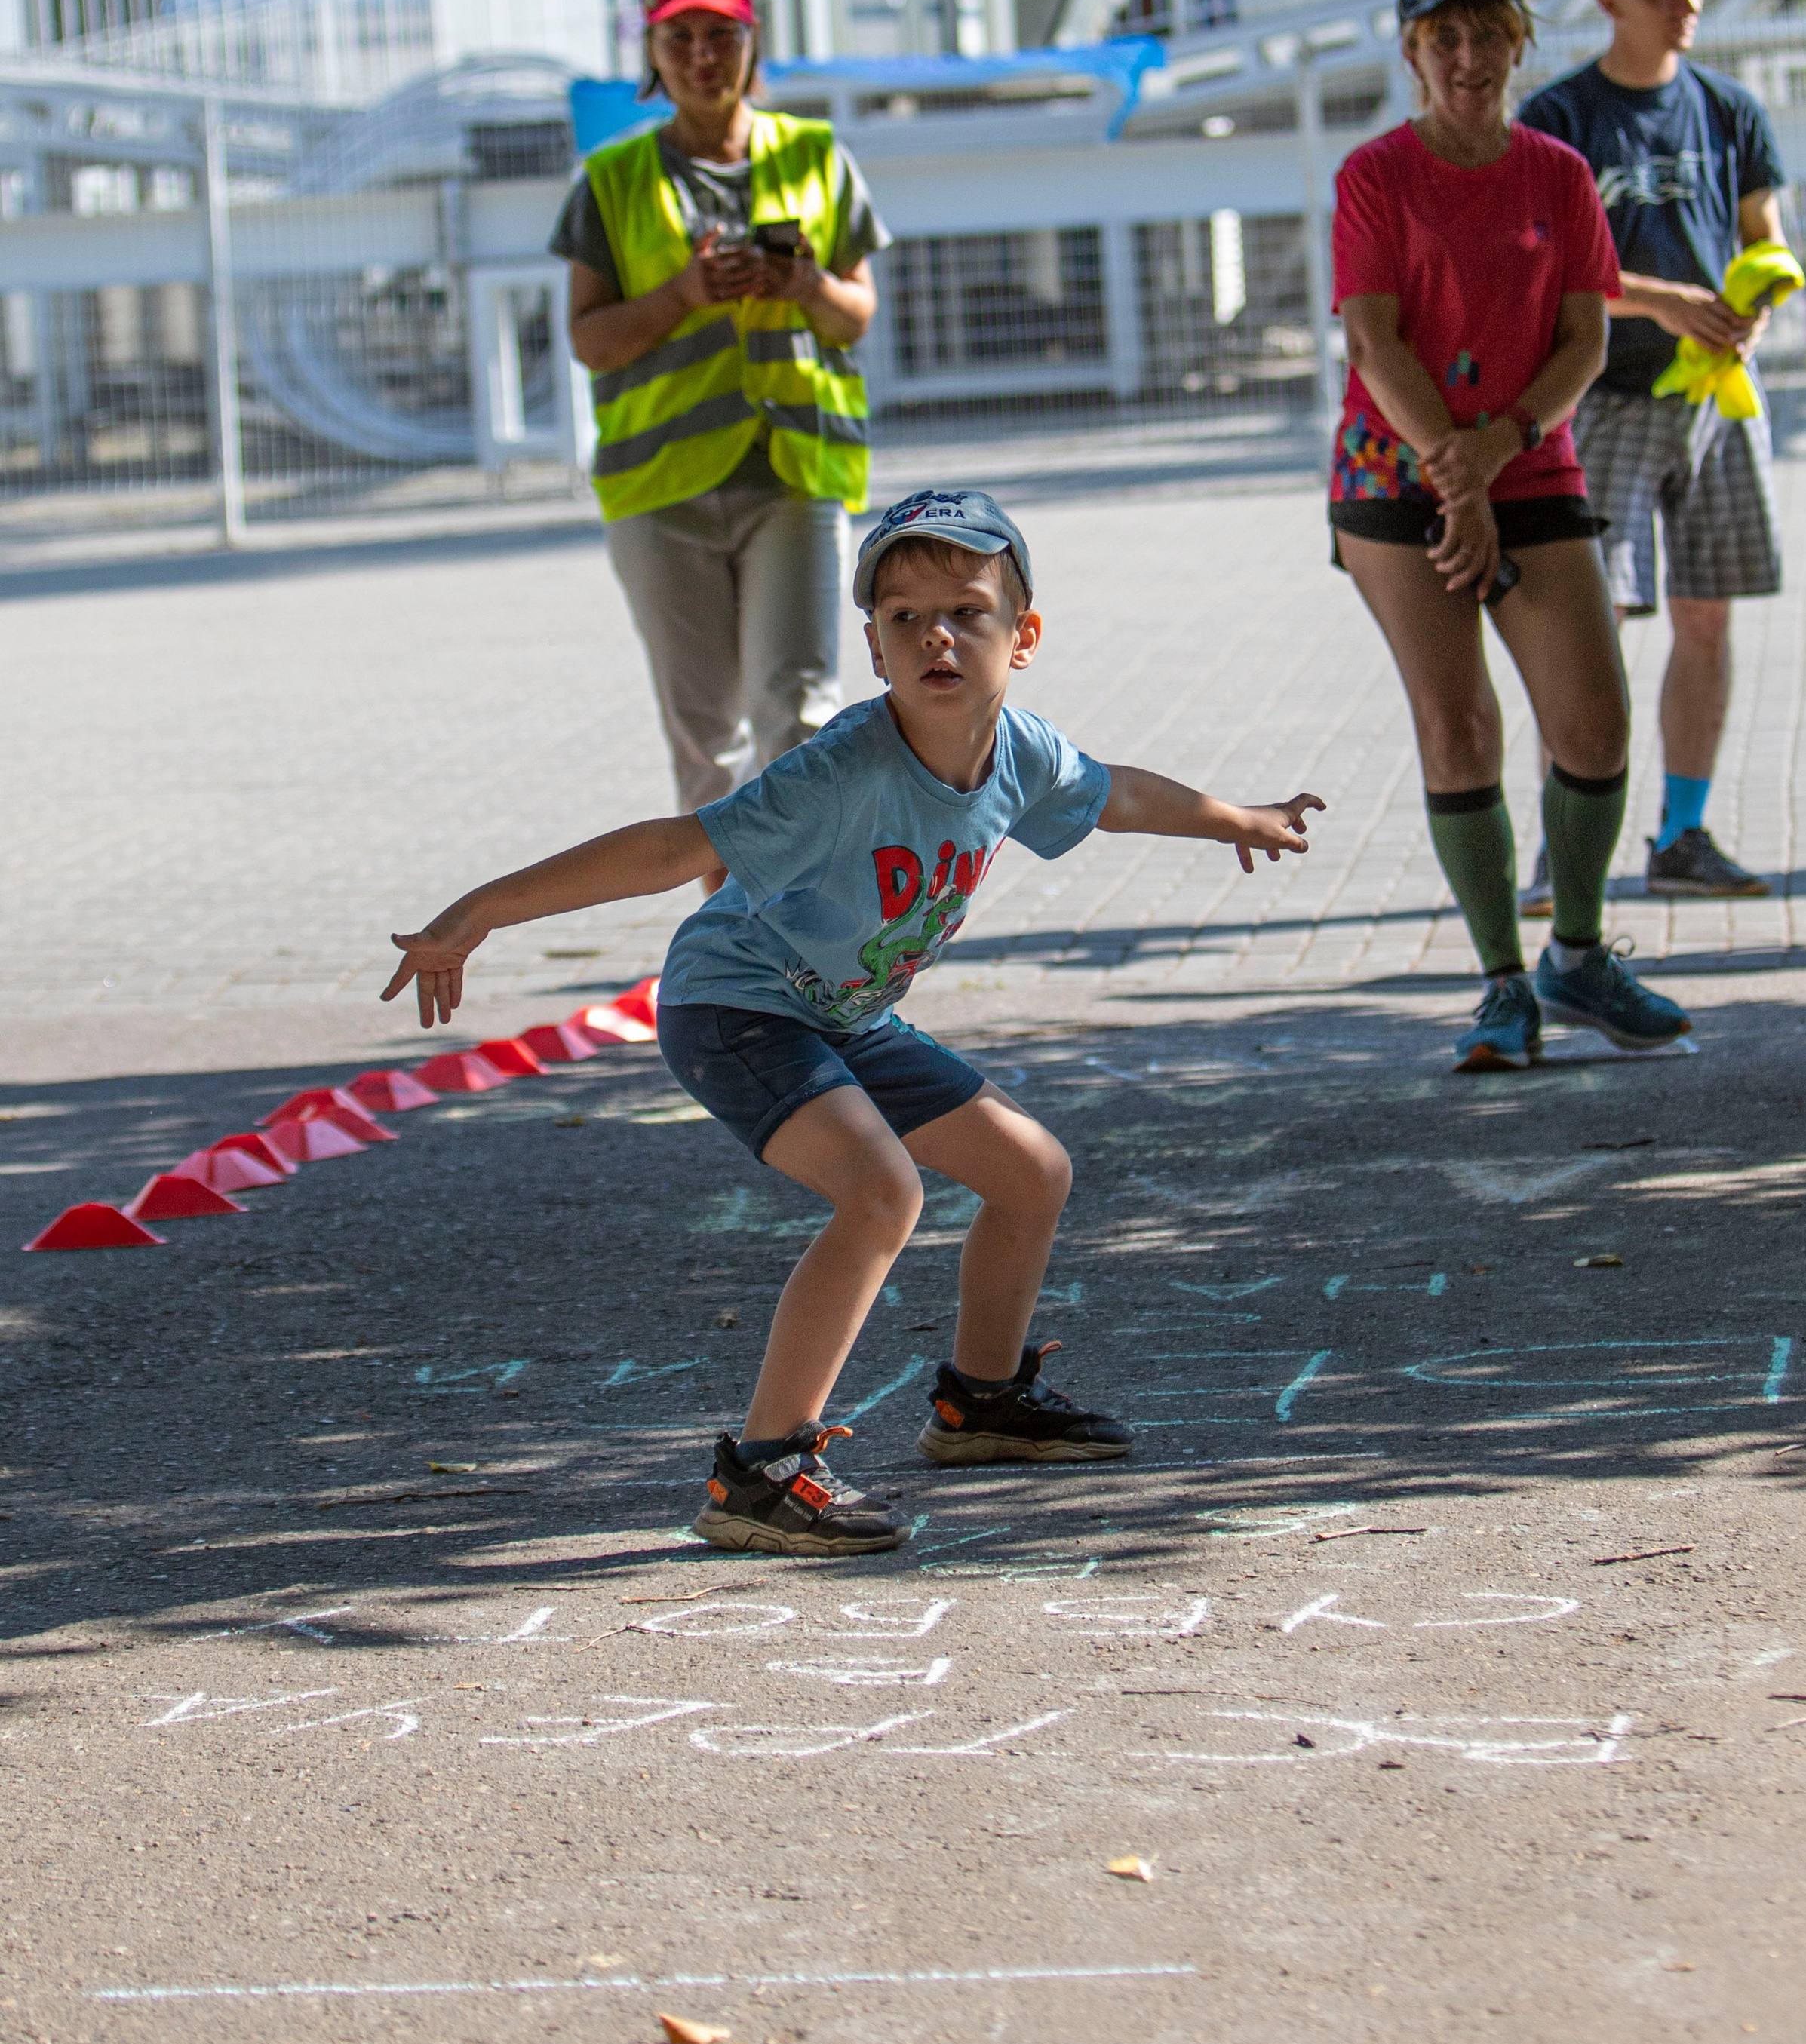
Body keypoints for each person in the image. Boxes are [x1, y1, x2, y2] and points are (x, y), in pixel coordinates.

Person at [382, 487, 1325, 1556]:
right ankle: (763, 1471)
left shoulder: (1023, 755)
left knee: (1034, 1173)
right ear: (875, 651)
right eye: (904, 616)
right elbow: (670, 851)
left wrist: (1236, 820)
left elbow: (1120, 797)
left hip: (845, 1012)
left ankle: (981, 1405)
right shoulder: (844, 767)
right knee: (884, 1193)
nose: (937, 634)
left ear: (1025, 637)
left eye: (967, 612)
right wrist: (480, 913)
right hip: (735, 1003)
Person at [1329, 0, 1691, 1072]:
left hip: (1525, 460)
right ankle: (1501, 984)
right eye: (1446, 37)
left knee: (1594, 720)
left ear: (1522, 43)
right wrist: (1452, 466)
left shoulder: (1557, 173)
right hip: (1396, 475)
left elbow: (1585, 337)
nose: (1470, 55)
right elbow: (1373, 338)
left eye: (1490, 33)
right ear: (1412, 52)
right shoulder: (1376, 175)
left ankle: (1576, 953)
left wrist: (1497, 452)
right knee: (1461, 725)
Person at [551, 0, 886, 858]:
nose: (703, 56)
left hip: (795, 472)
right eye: (680, 37)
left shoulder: (816, 156)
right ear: (652, 53)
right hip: (660, 490)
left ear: (753, 40)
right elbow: (589, 339)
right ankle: (728, 946)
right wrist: (683, 298)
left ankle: (808, 935)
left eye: (721, 34)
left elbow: (855, 316)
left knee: (801, 715)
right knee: (707, 739)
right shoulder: (612, 181)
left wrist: (808, 287)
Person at [1515, 0, 1790, 905]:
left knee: (1707, 616)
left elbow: (1765, 232)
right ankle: (1564, 847)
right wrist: (1667, 301)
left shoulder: (1728, 109)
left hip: (1715, 404)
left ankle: (1682, 834)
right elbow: (1546, 269)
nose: (1686, 3)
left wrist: (1755, 300)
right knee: (1595, 629)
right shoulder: (1562, 119)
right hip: (1603, 399)